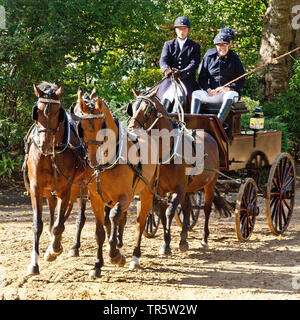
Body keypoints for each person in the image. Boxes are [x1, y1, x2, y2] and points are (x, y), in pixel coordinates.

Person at [191, 32, 245, 123]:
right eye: (219, 45)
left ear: (229, 45)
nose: (222, 48)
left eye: (225, 45)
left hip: (228, 94)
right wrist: (208, 89)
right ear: (216, 46)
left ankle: (219, 123)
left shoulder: (235, 58)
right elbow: (202, 78)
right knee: (196, 94)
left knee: (230, 95)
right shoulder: (208, 57)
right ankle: (192, 124)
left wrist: (228, 88)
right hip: (212, 93)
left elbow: (241, 79)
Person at [157, 16, 201, 113]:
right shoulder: (168, 44)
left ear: (188, 30)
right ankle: (161, 122)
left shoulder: (194, 46)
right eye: (179, 29)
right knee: (165, 97)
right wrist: (166, 70)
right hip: (170, 80)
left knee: (180, 98)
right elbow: (163, 60)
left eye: (184, 29)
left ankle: (176, 124)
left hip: (186, 81)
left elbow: (194, 64)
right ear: (176, 30)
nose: (182, 31)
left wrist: (181, 73)